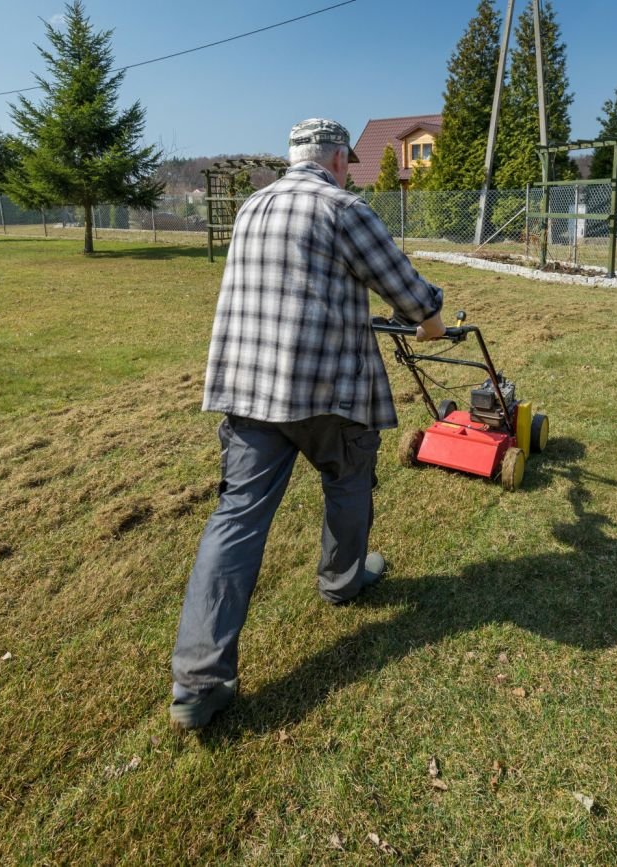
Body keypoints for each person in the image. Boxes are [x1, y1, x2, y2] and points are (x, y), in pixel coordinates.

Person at [169, 118, 447, 729]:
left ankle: (198, 682)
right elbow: (408, 291)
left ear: (291, 158)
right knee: (347, 480)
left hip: (248, 389)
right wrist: (431, 321)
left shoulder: (252, 208)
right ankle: (342, 579)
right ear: (340, 159)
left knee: (237, 519)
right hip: (325, 389)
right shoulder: (343, 208)